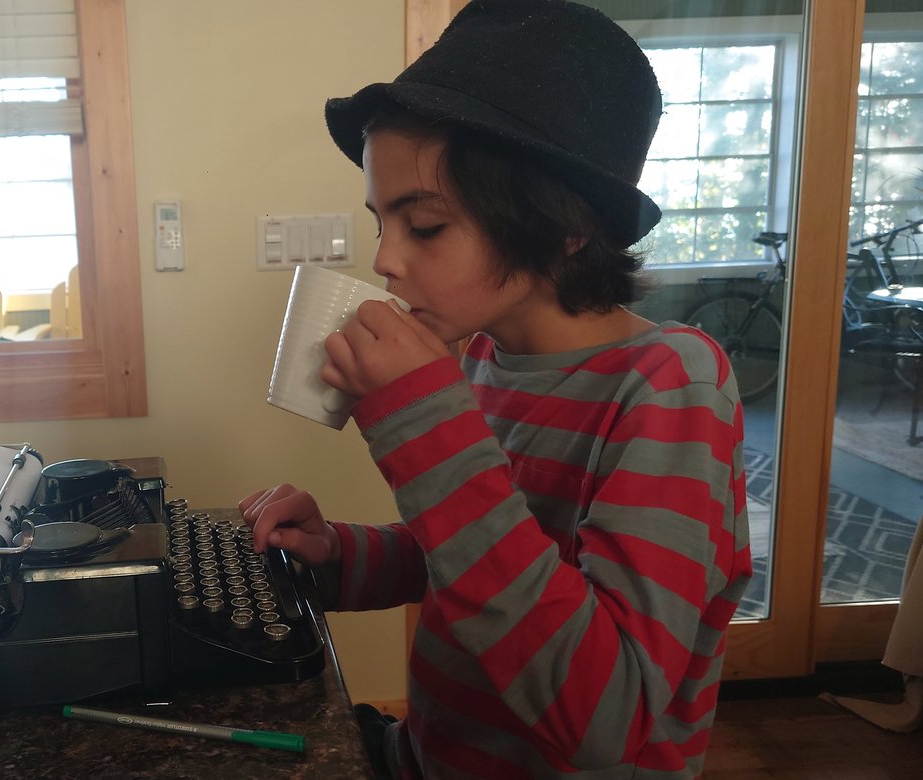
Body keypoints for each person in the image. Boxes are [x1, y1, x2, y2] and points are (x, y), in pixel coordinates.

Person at [239, 1, 752, 777]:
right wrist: (339, 556)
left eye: (426, 226)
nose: (386, 261)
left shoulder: (673, 387)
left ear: (561, 224)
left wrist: (421, 420)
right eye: (382, 222)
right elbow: (478, 561)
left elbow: (605, 715)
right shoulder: (483, 358)